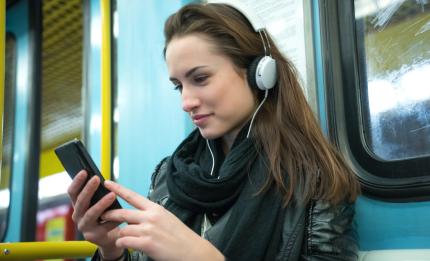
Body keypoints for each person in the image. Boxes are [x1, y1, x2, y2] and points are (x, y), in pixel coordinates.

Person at [67, 2, 361, 261]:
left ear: (259, 73)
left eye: (200, 78)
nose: (186, 102)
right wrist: (111, 250)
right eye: (179, 86)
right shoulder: (169, 176)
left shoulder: (313, 180)